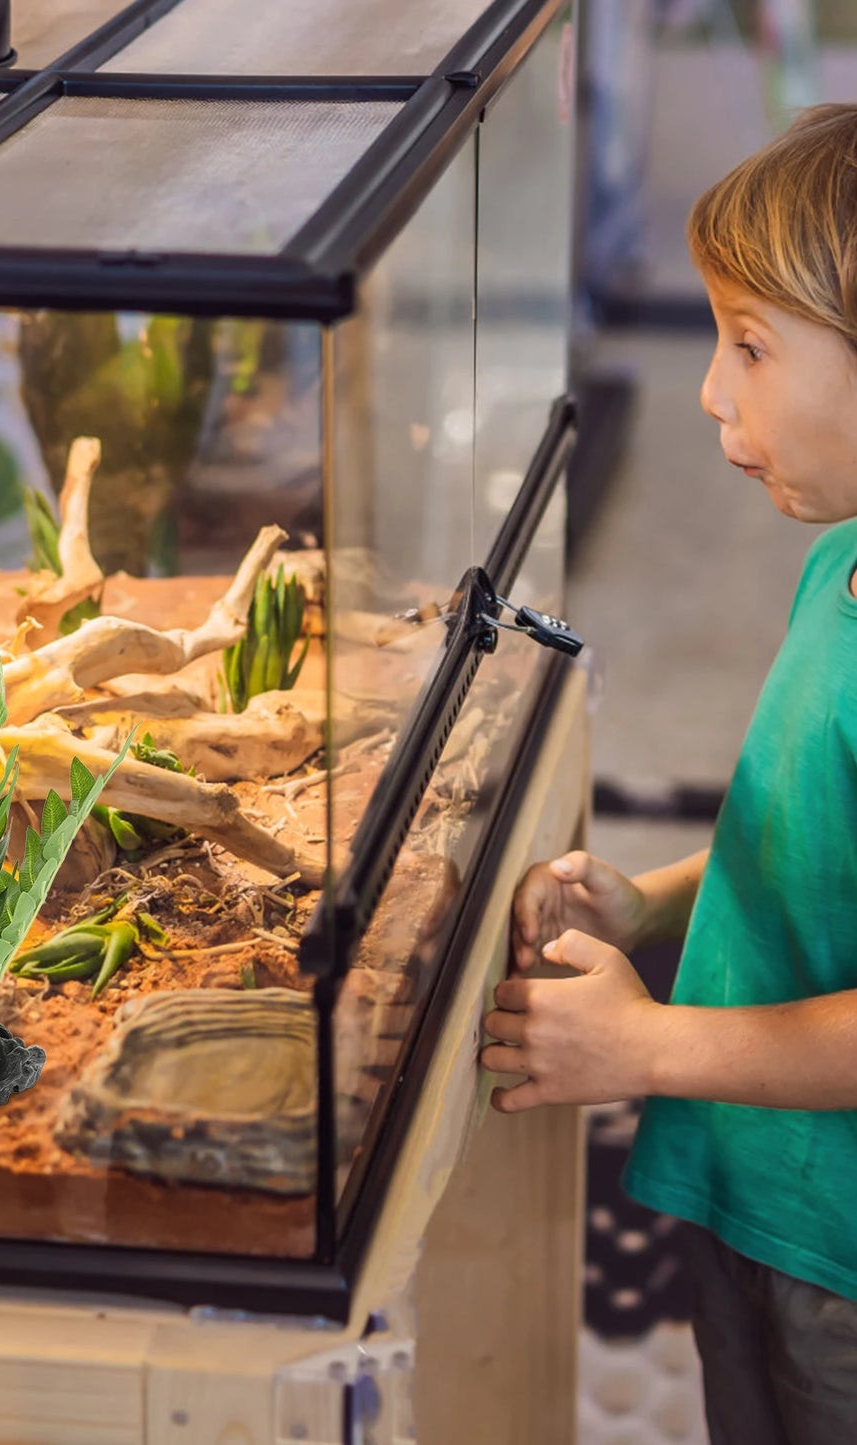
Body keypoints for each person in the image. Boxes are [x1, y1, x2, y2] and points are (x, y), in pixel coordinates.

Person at [482, 102, 857, 1445]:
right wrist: (644, 910)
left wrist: (643, 1042)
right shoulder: (836, 565)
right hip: (754, 1193)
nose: (707, 387)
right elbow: (798, 844)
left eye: (750, 346)